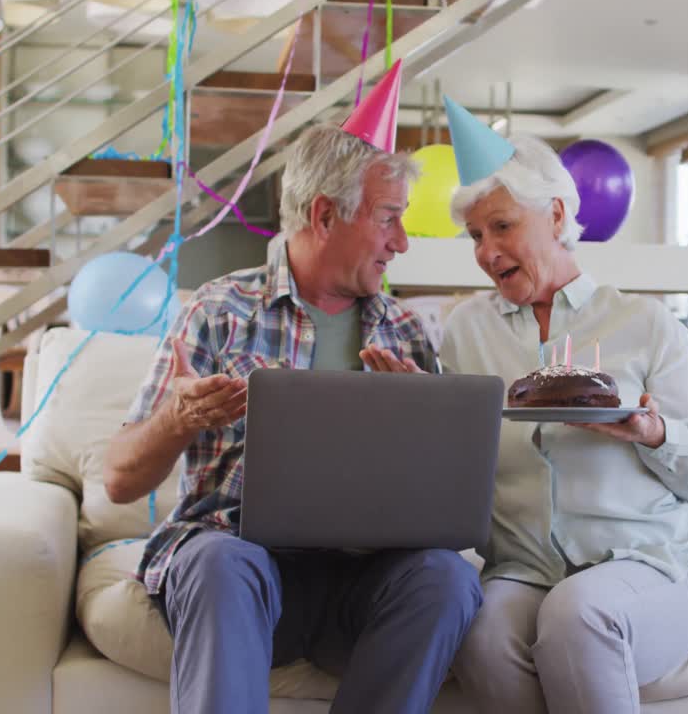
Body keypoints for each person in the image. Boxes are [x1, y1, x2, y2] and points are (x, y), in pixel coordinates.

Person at [101, 66, 482, 714]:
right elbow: (117, 480)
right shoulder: (222, 310)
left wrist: (428, 430)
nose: (402, 243)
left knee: (446, 578)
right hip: (239, 571)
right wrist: (178, 418)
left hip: (362, 582)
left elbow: (446, 506)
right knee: (222, 562)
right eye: (389, 219)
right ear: (325, 214)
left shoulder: (407, 333)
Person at [372, 96, 688, 714]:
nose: (485, 251)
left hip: (647, 562)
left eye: (502, 227)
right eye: (476, 235)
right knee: (478, 632)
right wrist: (416, 412)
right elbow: (453, 474)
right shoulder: (465, 331)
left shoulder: (645, 323)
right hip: (525, 568)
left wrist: (651, 432)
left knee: (576, 612)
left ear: (556, 215)